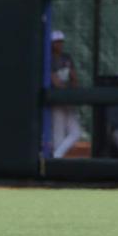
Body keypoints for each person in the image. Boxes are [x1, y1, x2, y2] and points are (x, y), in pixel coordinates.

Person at [50, 30, 82, 158]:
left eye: (61, 41)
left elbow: (75, 79)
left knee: (76, 133)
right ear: (51, 43)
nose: (59, 44)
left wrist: (71, 88)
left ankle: (55, 158)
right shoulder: (48, 59)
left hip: (68, 99)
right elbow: (56, 82)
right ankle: (55, 163)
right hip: (55, 100)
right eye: (56, 42)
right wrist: (67, 87)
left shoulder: (66, 57)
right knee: (58, 135)